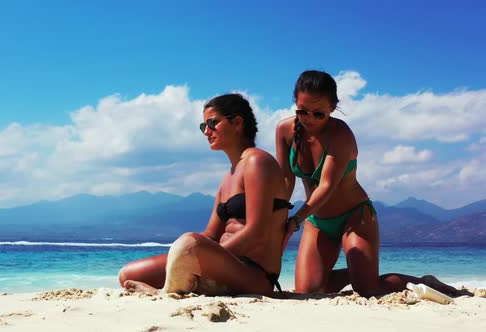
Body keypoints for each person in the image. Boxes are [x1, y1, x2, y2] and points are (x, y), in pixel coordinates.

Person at [275, 70, 461, 297]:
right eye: (303, 111)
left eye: (319, 114)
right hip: (317, 219)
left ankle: (425, 282)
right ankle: (360, 273)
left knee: (367, 289)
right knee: (309, 290)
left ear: (332, 108)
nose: (310, 119)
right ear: (295, 103)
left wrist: (294, 222)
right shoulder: (284, 131)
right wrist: (275, 219)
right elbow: (285, 180)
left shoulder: (341, 134)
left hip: (354, 216)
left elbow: (326, 186)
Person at [118, 93, 293, 296]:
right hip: (224, 263)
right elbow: (211, 234)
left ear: (237, 122)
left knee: (189, 244)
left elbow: (256, 232)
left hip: (254, 273)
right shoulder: (228, 177)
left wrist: (204, 255)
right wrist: (187, 254)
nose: (206, 132)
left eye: (212, 123)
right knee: (128, 274)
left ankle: (167, 291)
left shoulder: (257, 161)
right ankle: (184, 282)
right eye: (203, 127)